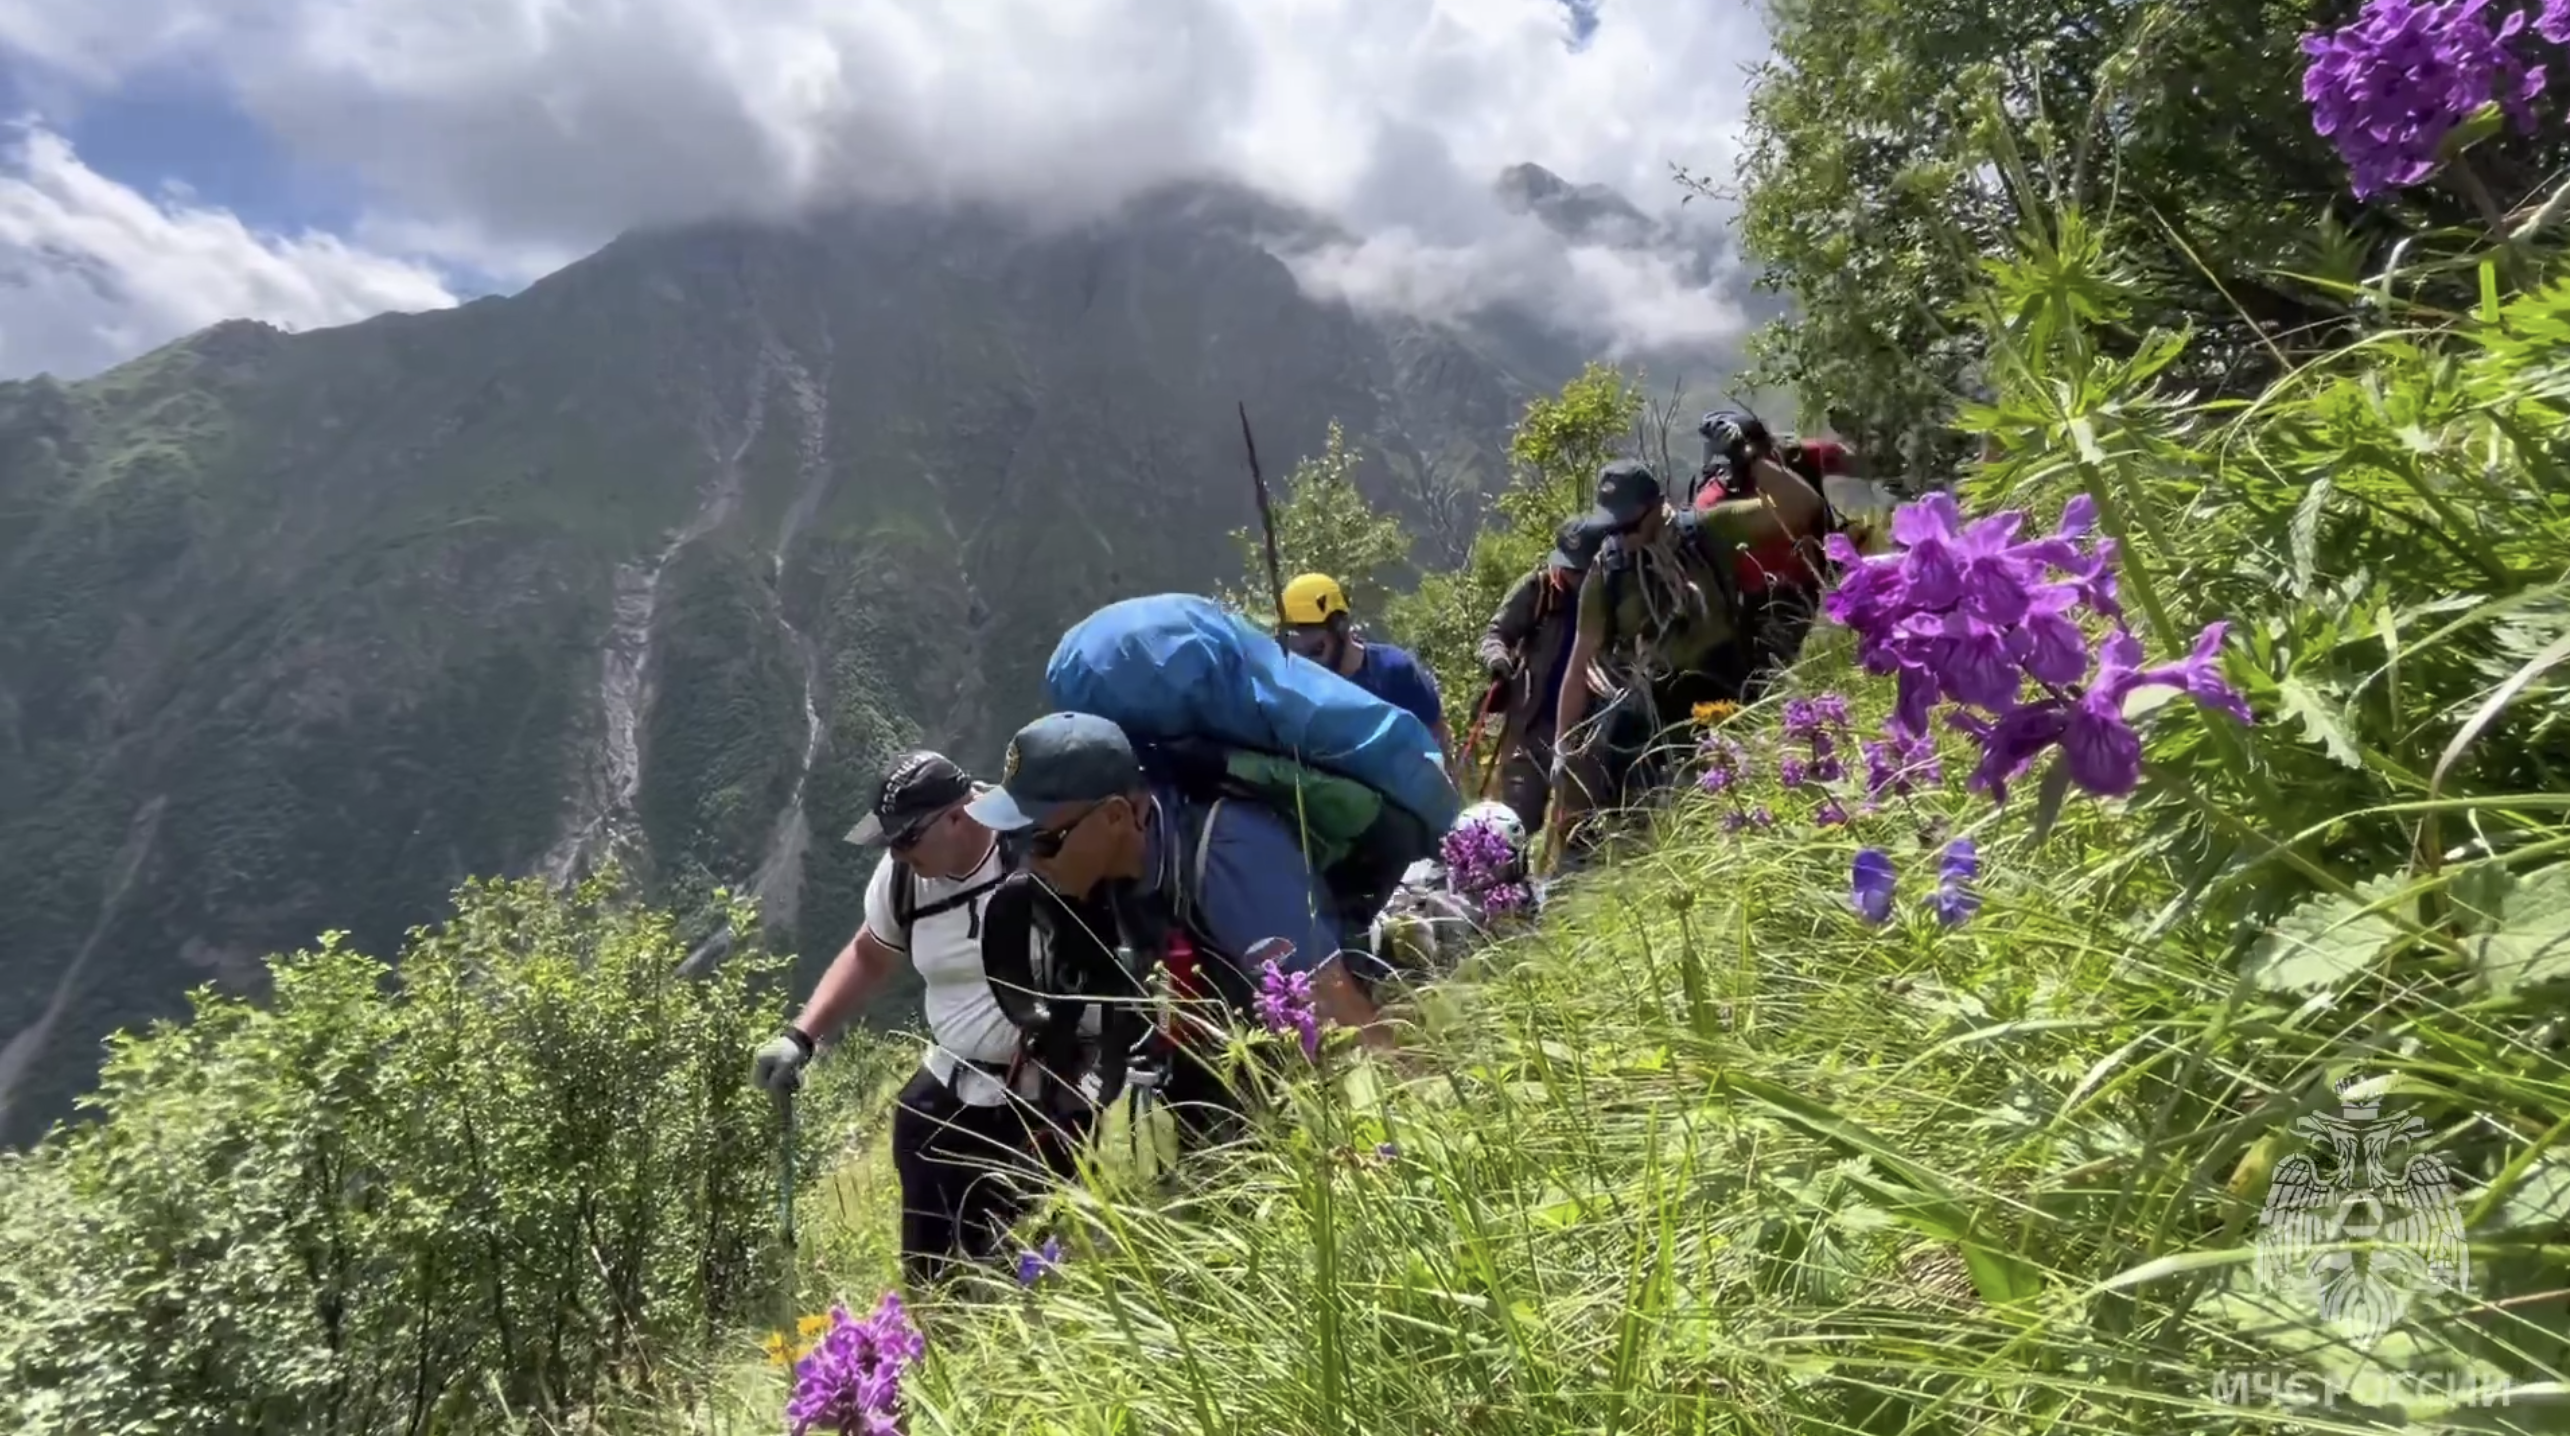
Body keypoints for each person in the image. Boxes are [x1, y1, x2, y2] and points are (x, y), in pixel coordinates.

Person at [965, 711, 1399, 1150]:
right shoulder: (1118, 875)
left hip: (1356, 1027)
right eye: (1014, 840)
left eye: (1041, 841)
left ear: (1116, 815)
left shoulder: (1227, 859)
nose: (1027, 860)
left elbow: (1339, 1010)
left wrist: (1409, 1133)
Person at [748, 750, 1095, 1293]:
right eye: (889, 841)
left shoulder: (1038, 850)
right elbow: (870, 954)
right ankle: (935, 1342)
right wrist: (801, 1036)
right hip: (952, 1079)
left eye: (907, 839)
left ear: (958, 816)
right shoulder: (904, 879)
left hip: (1046, 1092)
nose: (897, 853)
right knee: (928, 1269)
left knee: (1017, 1265)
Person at [1548, 457, 1823, 854]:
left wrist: (1751, 454)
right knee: (1659, 824)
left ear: (1656, 507)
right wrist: (1563, 751)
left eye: (1630, 525)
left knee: (1749, 799)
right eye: (1613, 527)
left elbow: (1800, 507)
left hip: (1732, 690)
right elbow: (1579, 667)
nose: (1621, 536)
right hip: (1659, 714)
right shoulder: (1607, 571)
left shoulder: (1707, 530)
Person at [1474, 517, 1607, 833]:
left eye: (1580, 569)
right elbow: (1495, 634)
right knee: (1515, 821)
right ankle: (1503, 878)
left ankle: (1565, 879)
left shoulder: (1610, 594)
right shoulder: (1538, 589)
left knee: (1578, 828)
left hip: (1585, 729)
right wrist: (1499, 661)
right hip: (1530, 726)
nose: (1572, 575)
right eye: (1569, 566)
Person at [1692, 412, 1840, 695]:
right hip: (1754, 604)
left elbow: (1817, 497)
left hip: (1805, 587)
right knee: (1762, 681)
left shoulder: (1797, 460)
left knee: (1771, 677)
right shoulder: (1716, 498)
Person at [1279, 572, 1454, 779]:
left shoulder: (1394, 670)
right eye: (1298, 652)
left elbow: (1437, 736)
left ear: (1340, 626)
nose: (1309, 663)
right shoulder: (1301, 685)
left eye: (1316, 650)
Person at [1368, 801, 1546, 978]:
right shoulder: (1429, 875)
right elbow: (1390, 909)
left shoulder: (1528, 895)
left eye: (1490, 859)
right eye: (1473, 857)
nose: (1480, 870)